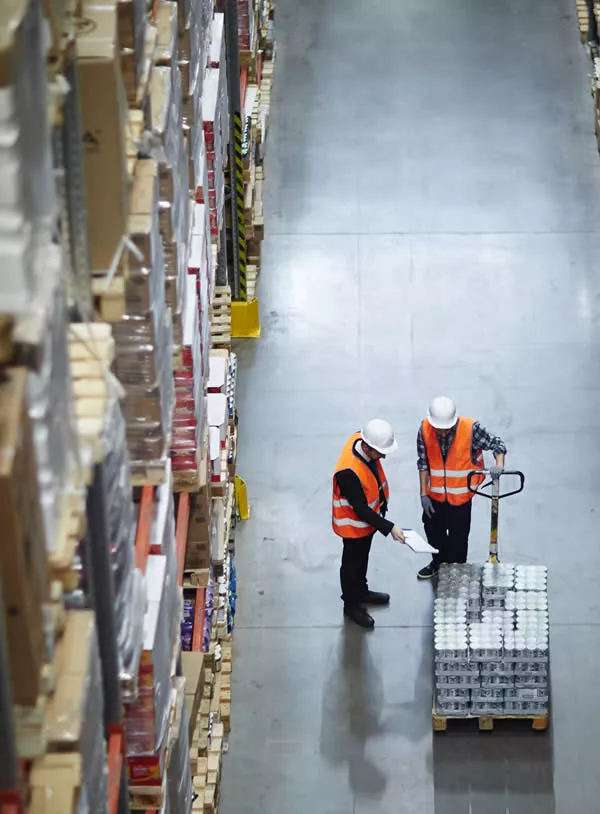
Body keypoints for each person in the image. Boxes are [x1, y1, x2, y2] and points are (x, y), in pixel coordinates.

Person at [416, 396, 507, 580]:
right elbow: (423, 463)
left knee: (458, 541)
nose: (442, 433)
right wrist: (423, 494)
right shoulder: (425, 430)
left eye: (446, 429)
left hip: (460, 498)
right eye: (438, 430)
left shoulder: (471, 429)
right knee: (434, 534)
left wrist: (499, 465)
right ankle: (438, 564)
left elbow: (498, 445)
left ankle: (456, 573)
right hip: (434, 497)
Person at [333, 419, 406, 629]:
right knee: (351, 565)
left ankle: (361, 591)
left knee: (362, 559)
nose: (383, 457)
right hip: (354, 525)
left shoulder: (360, 437)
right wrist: (390, 527)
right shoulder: (348, 472)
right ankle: (351, 605)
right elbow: (360, 509)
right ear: (366, 447)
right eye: (380, 452)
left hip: (368, 523)